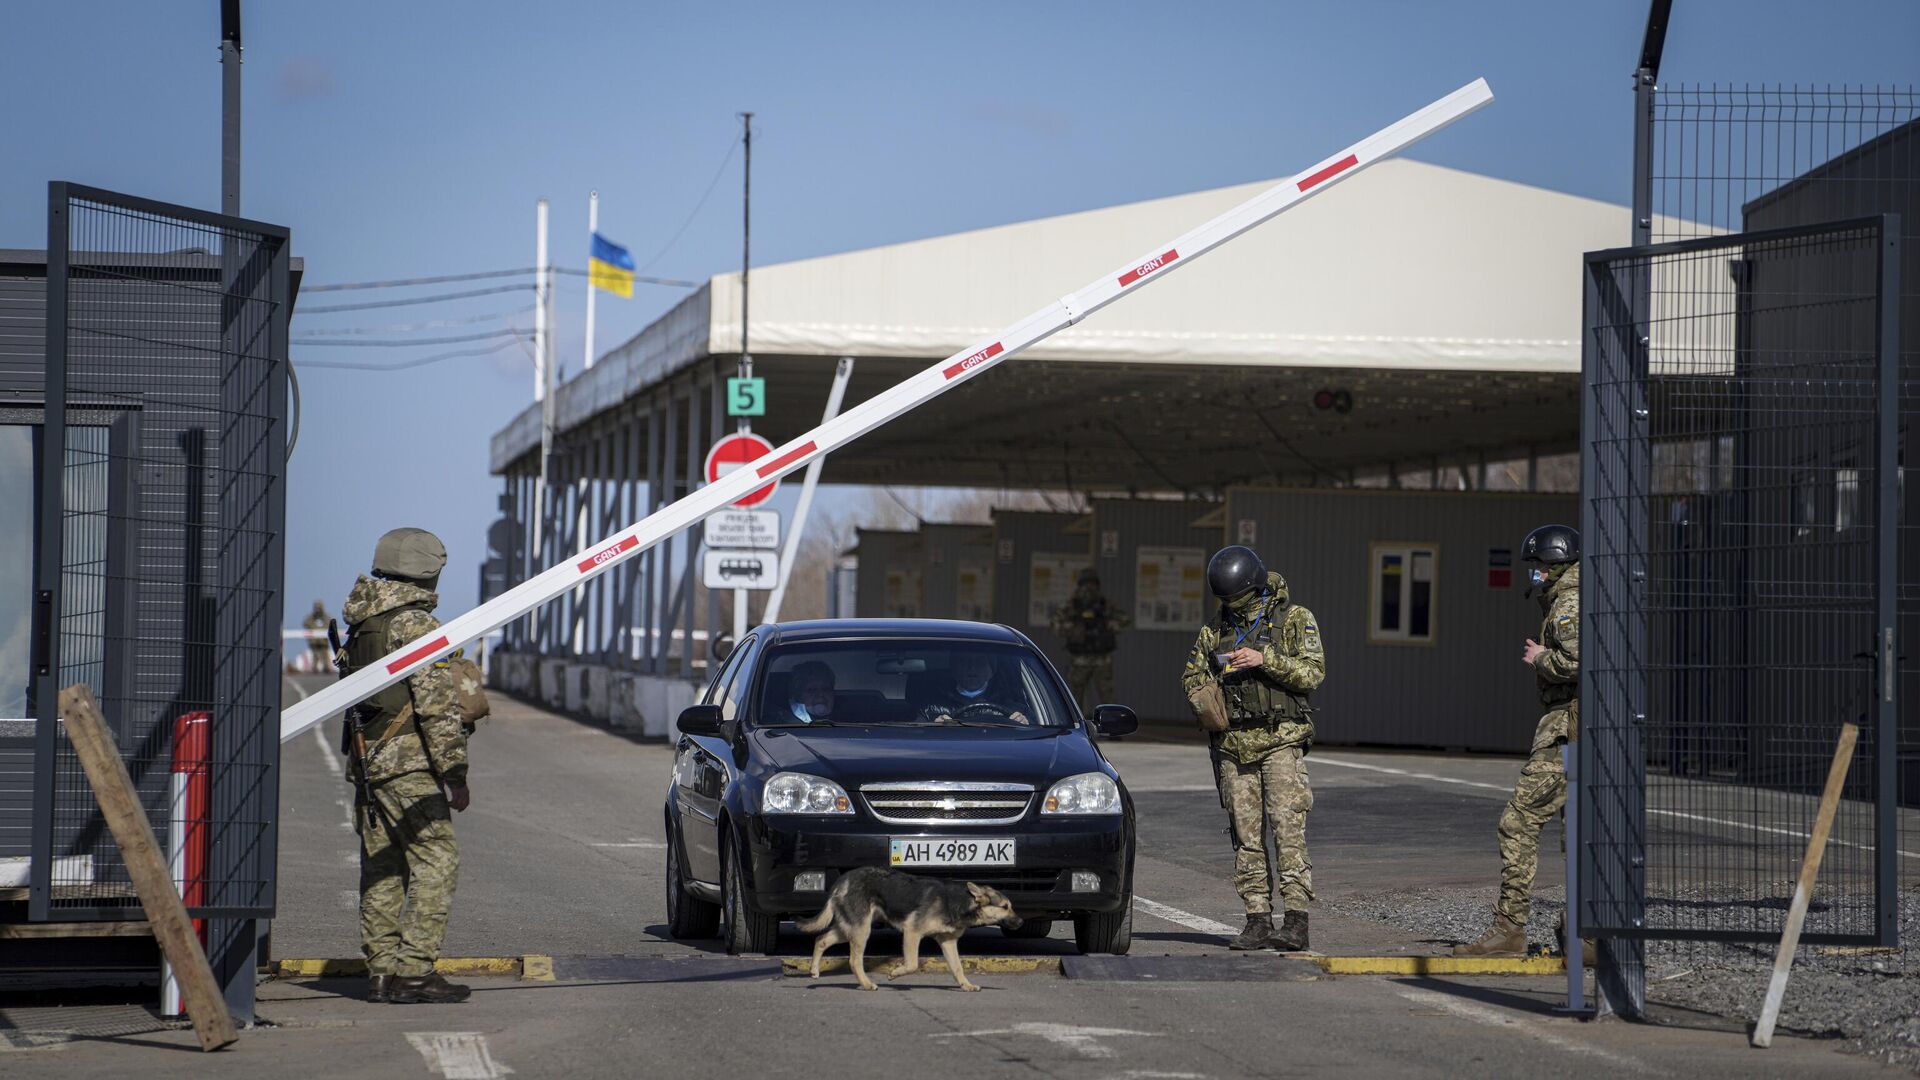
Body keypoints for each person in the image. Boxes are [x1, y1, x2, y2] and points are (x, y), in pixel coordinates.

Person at [341, 527, 475, 1004]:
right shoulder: (415, 625)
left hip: (367, 762)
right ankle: (415, 970)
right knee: (438, 859)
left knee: (383, 866)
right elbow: (436, 706)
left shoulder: (364, 622)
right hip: (409, 764)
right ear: (429, 570)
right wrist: (454, 774)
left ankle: (381, 972)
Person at [1181, 545, 1324, 952]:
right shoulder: (1215, 628)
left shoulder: (1295, 619)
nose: (1232, 608)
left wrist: (1265, 659)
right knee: (1245, 837)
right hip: (1233, 745)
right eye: (1227, 602)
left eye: (1238, 601)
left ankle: (1296, 920)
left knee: (1287, 830)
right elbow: (1192, 677)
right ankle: (1256, 919)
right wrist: (1207, 697)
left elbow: (1313, 672)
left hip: (1281, 739)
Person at [1456, 524, 1580, 958]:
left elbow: (1579, 662)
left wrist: (1540, 657)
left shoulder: (1569, 605)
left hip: (1568, 730)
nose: (1536, 575)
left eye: (1540, 567)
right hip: (1574, 731)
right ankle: (1587, 934)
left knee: (1519, 820)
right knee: (1579, 830)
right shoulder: (1575, 600)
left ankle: (1510, 929)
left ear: (1556, 564)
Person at [1051, 569, 1129, 716]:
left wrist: (1108, 625)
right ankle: (1075, 727)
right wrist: (1074, 629)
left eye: (1092, 585)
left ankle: (1112, 726)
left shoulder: (1104, 604)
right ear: (1079, 586)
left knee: (1107, 696)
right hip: (1080, 658)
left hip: (1101, 658)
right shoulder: (1072, 605)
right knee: (1074, 697)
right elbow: (1055, 624)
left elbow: (1124, 620)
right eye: (1085, 585)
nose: (1088, 589)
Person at [918, 651, 1030, 724]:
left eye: (980, 662)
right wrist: (932, 727)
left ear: (991, 670)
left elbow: (1039, 730)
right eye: (964, 661)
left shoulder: (1014, 706)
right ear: (953, 668)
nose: (972, 668)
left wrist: (1025, 723)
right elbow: (916, 733)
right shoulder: (931, 707)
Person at [303, 600, 330, 673]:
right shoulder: (311, 618)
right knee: (315, 654)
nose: (318, 610)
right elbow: (305, 623)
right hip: (314, 640)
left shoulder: (326, 617)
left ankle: (326, 667)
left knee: (325, 654)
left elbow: (330, 624)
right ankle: (314, 668)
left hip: (324, 640)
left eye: (319, 608)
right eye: (316, 608)